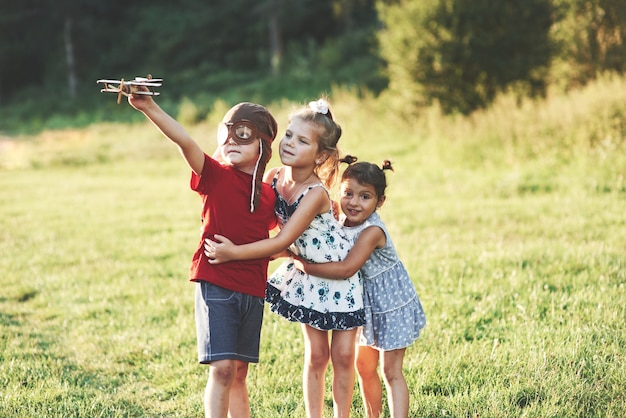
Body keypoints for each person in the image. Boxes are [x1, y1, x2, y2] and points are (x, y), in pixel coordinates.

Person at [204, 99, 364, 418]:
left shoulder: (316, 193)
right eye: (288, 135)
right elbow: (255, 218)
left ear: (319, 156)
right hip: (306, 276)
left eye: (302, 140)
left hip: (337, 275)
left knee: (344, 356)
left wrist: (234, 253)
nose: (289, 143)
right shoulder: (275, 177)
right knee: (316, 355)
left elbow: (283, 239)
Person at [127, 90, 278, 418]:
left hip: (253, 288)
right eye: (227, 134)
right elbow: (186, 143)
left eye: (243, 135)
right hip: (217, 282)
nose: (232, 142)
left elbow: (279, 236)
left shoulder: (269, 194)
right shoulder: (216, 176)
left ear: (263, 146)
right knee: (222, 369)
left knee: (239, 372)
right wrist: (149, 106)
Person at [292, 157, 427, 418]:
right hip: (365, 304)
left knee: (391, 370)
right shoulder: (340, 220)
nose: (354, 202)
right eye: (348, 194)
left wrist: (305, 267)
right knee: (364, 366)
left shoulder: (372, 231)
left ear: (380, 202)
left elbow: (346, 269)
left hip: (391, 304)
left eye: (365, 197)